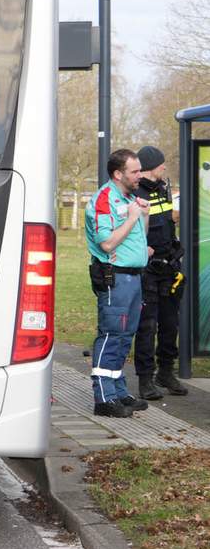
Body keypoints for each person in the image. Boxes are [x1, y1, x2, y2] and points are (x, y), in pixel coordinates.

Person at [85, 149, 150, 418]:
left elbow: (139, 238)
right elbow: (107, 242)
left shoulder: (128, 197)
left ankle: (119, 390)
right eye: (135, 171)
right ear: (118, 173)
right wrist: (133, 217)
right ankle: (104, 397)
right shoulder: (104, 199)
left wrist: (143, 216)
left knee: (125, 336)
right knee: (112, 333)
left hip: (132, 278)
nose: (140, 175)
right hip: (115, 277)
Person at [132, 145, 189, 398]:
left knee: (170, 323)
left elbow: (167, 223)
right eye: (161, 164)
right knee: (147, 326)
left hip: (169, 268)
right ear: (150, 167)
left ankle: (166, 372)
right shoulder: (135, 193)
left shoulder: (163, 189)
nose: (164, 168)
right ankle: (146, 380)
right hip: (147, 272)